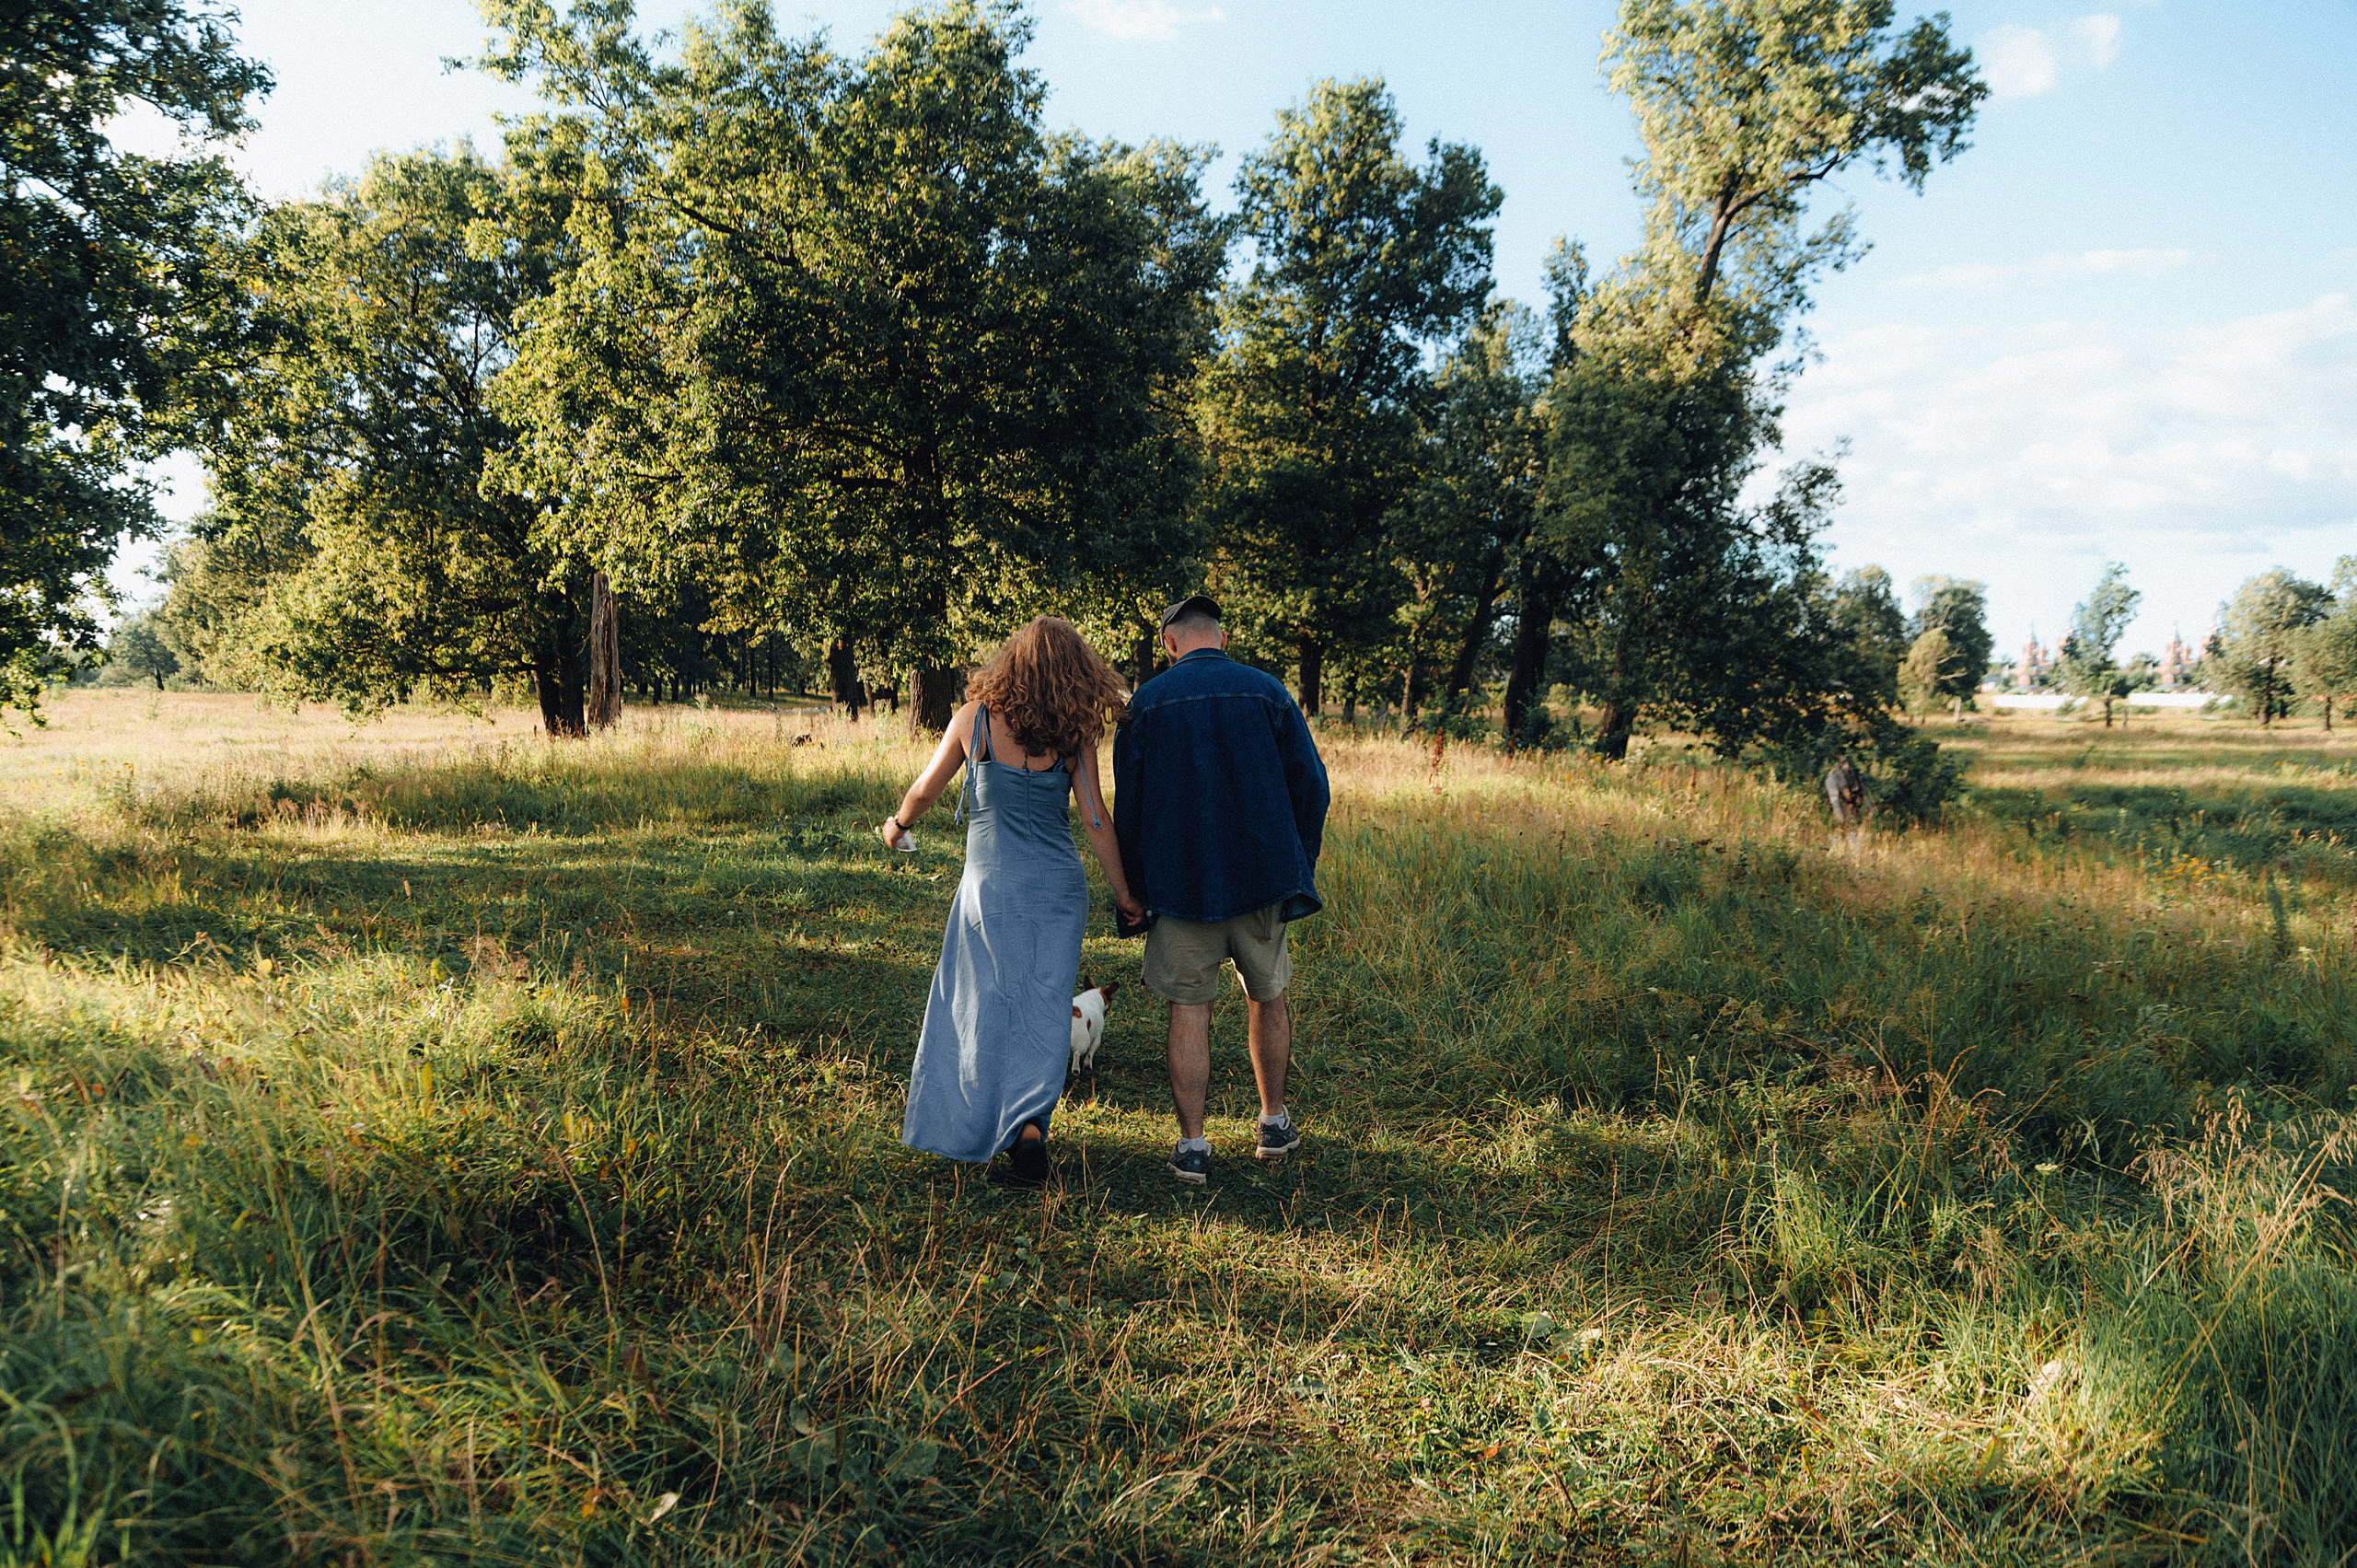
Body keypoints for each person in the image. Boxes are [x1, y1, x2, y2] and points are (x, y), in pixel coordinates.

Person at [882, 618, 1144, 1188]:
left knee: (985, 1003)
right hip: (1058, 890)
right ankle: (1029, 1128)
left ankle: (977, 1120)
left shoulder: (972, 720)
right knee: (1044, 1007)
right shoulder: (1074, 734)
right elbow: (1096, 818)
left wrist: (897, 824)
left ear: (1011, 663)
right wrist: (1126, 895)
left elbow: (925, 789)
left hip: (989, 889)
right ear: (1077, 673)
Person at [1114, 595, 1330, 1185]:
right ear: (1224, 638)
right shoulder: (1268, 692)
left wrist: (1133, 888)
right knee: (1268, 994)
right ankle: (1273, 1122)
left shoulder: (1145, 706)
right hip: (1262, 880)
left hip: (1180, 888)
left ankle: (1192, 1146)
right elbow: (1312, 786)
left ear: (1169, 643)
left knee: (1189, 1007)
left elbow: (1126, 812)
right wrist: (1297, 864)